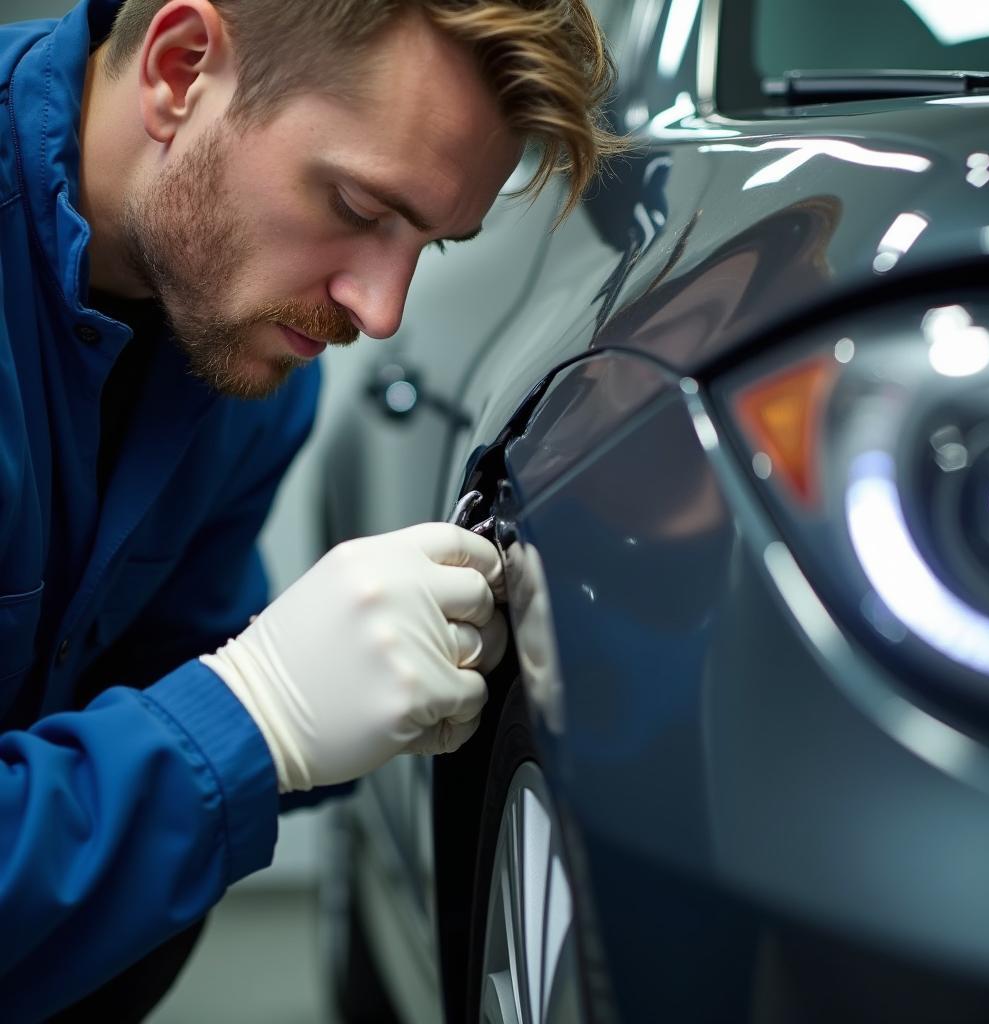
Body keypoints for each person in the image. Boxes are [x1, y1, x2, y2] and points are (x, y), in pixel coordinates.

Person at [0, 0, 620, 1018]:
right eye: (359, 205)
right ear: (181, 67)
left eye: (431, 243)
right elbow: (216, 716)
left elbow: (155, 680)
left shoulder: (245, 373)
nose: (379, 311)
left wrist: (353, 697)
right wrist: (254, 715)